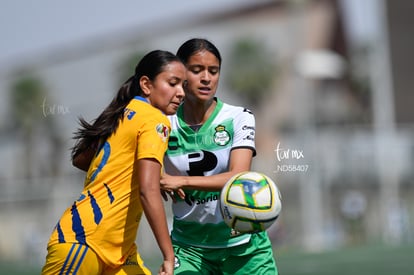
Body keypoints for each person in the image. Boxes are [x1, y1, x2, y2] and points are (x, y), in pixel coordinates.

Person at [41, 50, 186, 275]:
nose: (181, 93)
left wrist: (147, 175)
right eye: (173, 83)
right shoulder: (155, 119)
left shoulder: (124, 112)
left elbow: (82, 160)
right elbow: (147, 192)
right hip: (84, 241)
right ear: (146, 85)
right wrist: (168, 255)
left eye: (183, 85)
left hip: (120, 252)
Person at [160, 38, 278, 274]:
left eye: (213, 71)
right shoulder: (162, 122)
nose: (206, 78)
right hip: (190, 249)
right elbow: (135, 161)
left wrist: (181, 180)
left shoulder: (238, 117)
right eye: (197, 70)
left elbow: (238, 175)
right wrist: (157, 175)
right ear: (180, 73)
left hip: (245, 248)